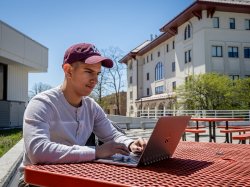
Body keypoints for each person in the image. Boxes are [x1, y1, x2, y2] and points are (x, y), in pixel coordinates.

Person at [18, 43, 147, 187]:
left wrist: (130, 144)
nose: (95, 80)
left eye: (97, 73)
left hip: (72, 177)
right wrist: (96, 152)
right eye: (88, 71)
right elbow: (38, 151)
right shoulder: (42, 103)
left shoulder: (91, 106)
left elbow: (112, 135)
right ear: (68, 70)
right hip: (37, 182)